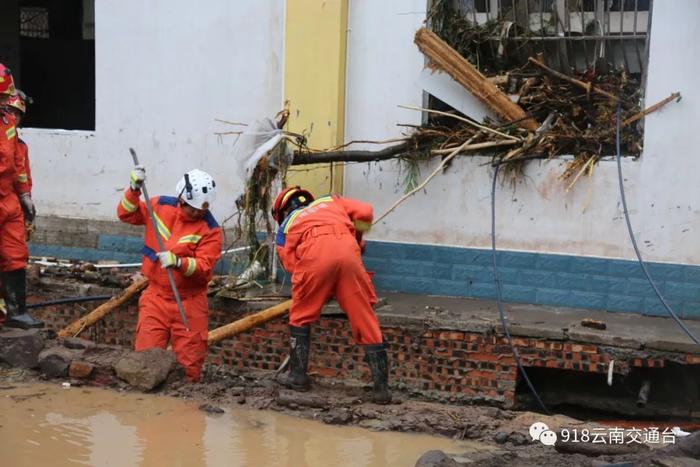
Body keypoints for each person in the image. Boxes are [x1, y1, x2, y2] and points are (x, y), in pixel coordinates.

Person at [272, 186, 391, 404]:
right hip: (348, 253)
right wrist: (357, 237)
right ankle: (381, 390)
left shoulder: (286, 226)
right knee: (364, 317)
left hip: (315, 257)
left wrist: (319, 287)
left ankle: (298, 377)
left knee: (300, 316)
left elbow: (291, 265)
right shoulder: (331, 201)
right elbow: (365, 212)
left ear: (282, 211)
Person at [117, 167, 222, 381]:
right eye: (193, 209)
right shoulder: (159, 206)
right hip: (155, 297)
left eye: (201, 210)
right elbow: (126, 213)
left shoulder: (210, 230)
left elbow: (204, 268)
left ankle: (184, 410)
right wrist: (134, 189)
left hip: (189, 303)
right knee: (143, 361)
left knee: (189, 365)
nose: (198, 214)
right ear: (182, 199)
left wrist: (179, 262)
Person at [0, 64, 42, 329]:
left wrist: (25, 195)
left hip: (8, 198)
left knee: (16, 253)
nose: (7, 102)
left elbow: (17, 159)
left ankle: (17, 312)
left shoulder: (6, 122)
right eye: (3, 97)